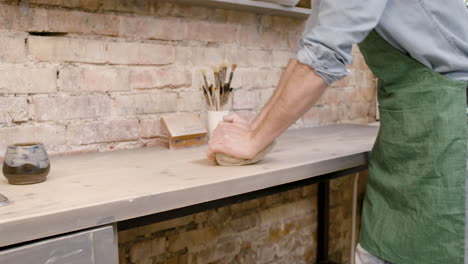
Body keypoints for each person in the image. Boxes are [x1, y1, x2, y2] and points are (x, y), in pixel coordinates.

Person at [207, 0, 468, 263]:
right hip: (414, 136)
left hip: (451, 134)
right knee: (380, 251)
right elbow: (313, 50)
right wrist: (253, 132)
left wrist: (253, 139)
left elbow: (322, 56)